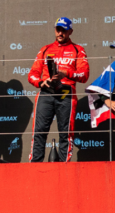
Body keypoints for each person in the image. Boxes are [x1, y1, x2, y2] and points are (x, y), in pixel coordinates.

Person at [27, 17, 90, 162]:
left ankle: (64, 167)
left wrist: (65, 73)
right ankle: (35, 165)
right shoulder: (45, 49)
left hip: (65, 92)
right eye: (58, 29)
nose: (60, 33)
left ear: (70, 32)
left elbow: (84, 75)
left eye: (64, 30)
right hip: (46, 91)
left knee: (65, 133)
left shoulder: (78, 50)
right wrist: (41, 82)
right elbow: (32, 74)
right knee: (39, 132)